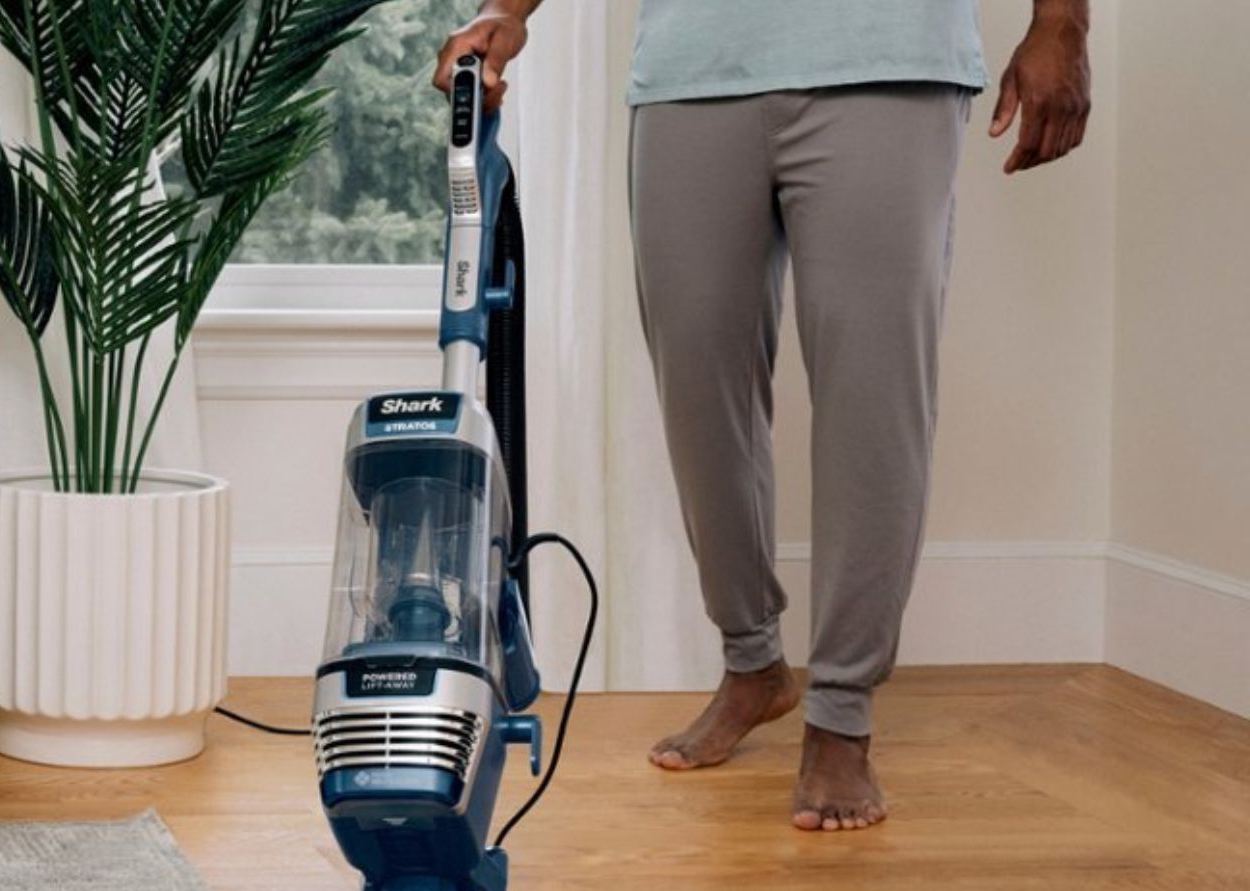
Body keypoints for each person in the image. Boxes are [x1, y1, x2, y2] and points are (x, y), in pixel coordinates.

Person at [436, 1, 1091, 830]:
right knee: (697, 383)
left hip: (885, 60)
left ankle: (843, 713)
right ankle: (754, 664)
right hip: (692, 66)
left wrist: (1063, 23)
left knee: (873, 398)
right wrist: (507, 11)